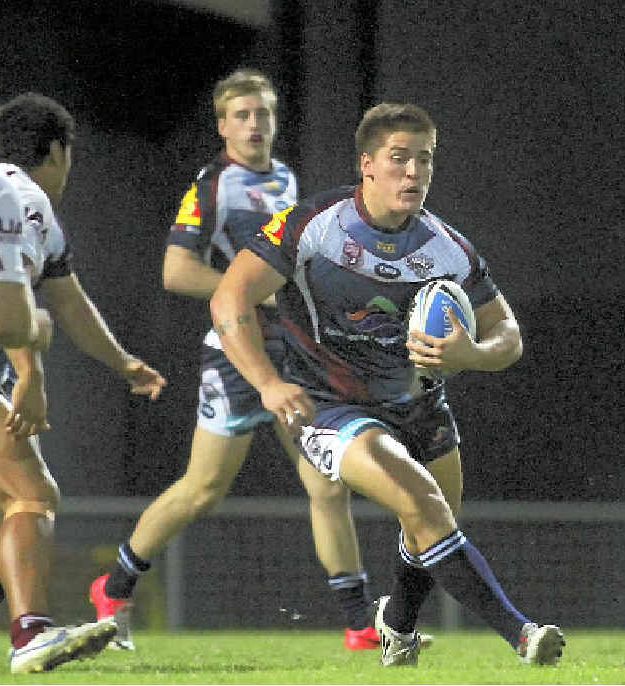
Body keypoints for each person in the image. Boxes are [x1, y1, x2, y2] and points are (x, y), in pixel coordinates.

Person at [210, 102, 565, 667]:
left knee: (430, 523)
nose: (414, 173)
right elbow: (229, 297)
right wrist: (267, 383)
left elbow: (509, 333)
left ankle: (396, 625)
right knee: (423, 502)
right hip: (332, 408)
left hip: (421, 406)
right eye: (399, 159)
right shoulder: (311, 225)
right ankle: (522, 634)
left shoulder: (446, 246)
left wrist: (472, 353)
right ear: (367, 165)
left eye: (425, 160)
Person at [89, 69, 382, 651]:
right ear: (222, 125)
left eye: (263, 114)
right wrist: (252, 289)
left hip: (293, 350)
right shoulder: (212, 186)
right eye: (242, 115)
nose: (254, 125)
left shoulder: (285, 179)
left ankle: (360, 627)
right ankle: (115, 587)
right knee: (203, 490)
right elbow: (176, 271)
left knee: (327, 484)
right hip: (236, 353)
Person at [0, 92, 167, 673]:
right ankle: (30, 635)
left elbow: (68, 301)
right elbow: (13, 298)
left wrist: (123, 364)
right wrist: (30, 373)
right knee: (31, 494)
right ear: (57, 151)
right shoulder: (20, 194)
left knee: (13, 494)